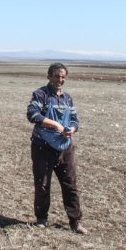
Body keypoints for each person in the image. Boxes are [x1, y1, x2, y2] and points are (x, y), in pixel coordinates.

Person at [26, 63, 88, 234]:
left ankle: (75, 222)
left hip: (65, 148)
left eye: (62, 77)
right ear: (49, 76)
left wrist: (71, 129)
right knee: (43, 184)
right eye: (56, 76)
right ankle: (41, 219)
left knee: (70, 185)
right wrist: (55, 125)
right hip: (42, 147)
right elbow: (33, 115)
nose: (59, 80)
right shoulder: (40, 95)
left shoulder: (67, 99)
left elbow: (75, 120)